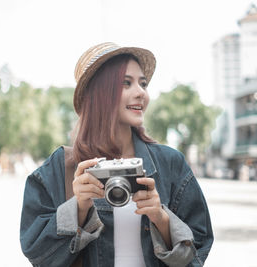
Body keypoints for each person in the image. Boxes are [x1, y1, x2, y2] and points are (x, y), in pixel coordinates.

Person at [20, 42, 213, 267]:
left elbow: (200, 246)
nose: (141, 92)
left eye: (143, 83)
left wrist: (161, 218)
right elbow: (38, 255)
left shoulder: (170, 163)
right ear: (99, 93)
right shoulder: (60, 168)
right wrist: (79, 207)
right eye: (126, 83)